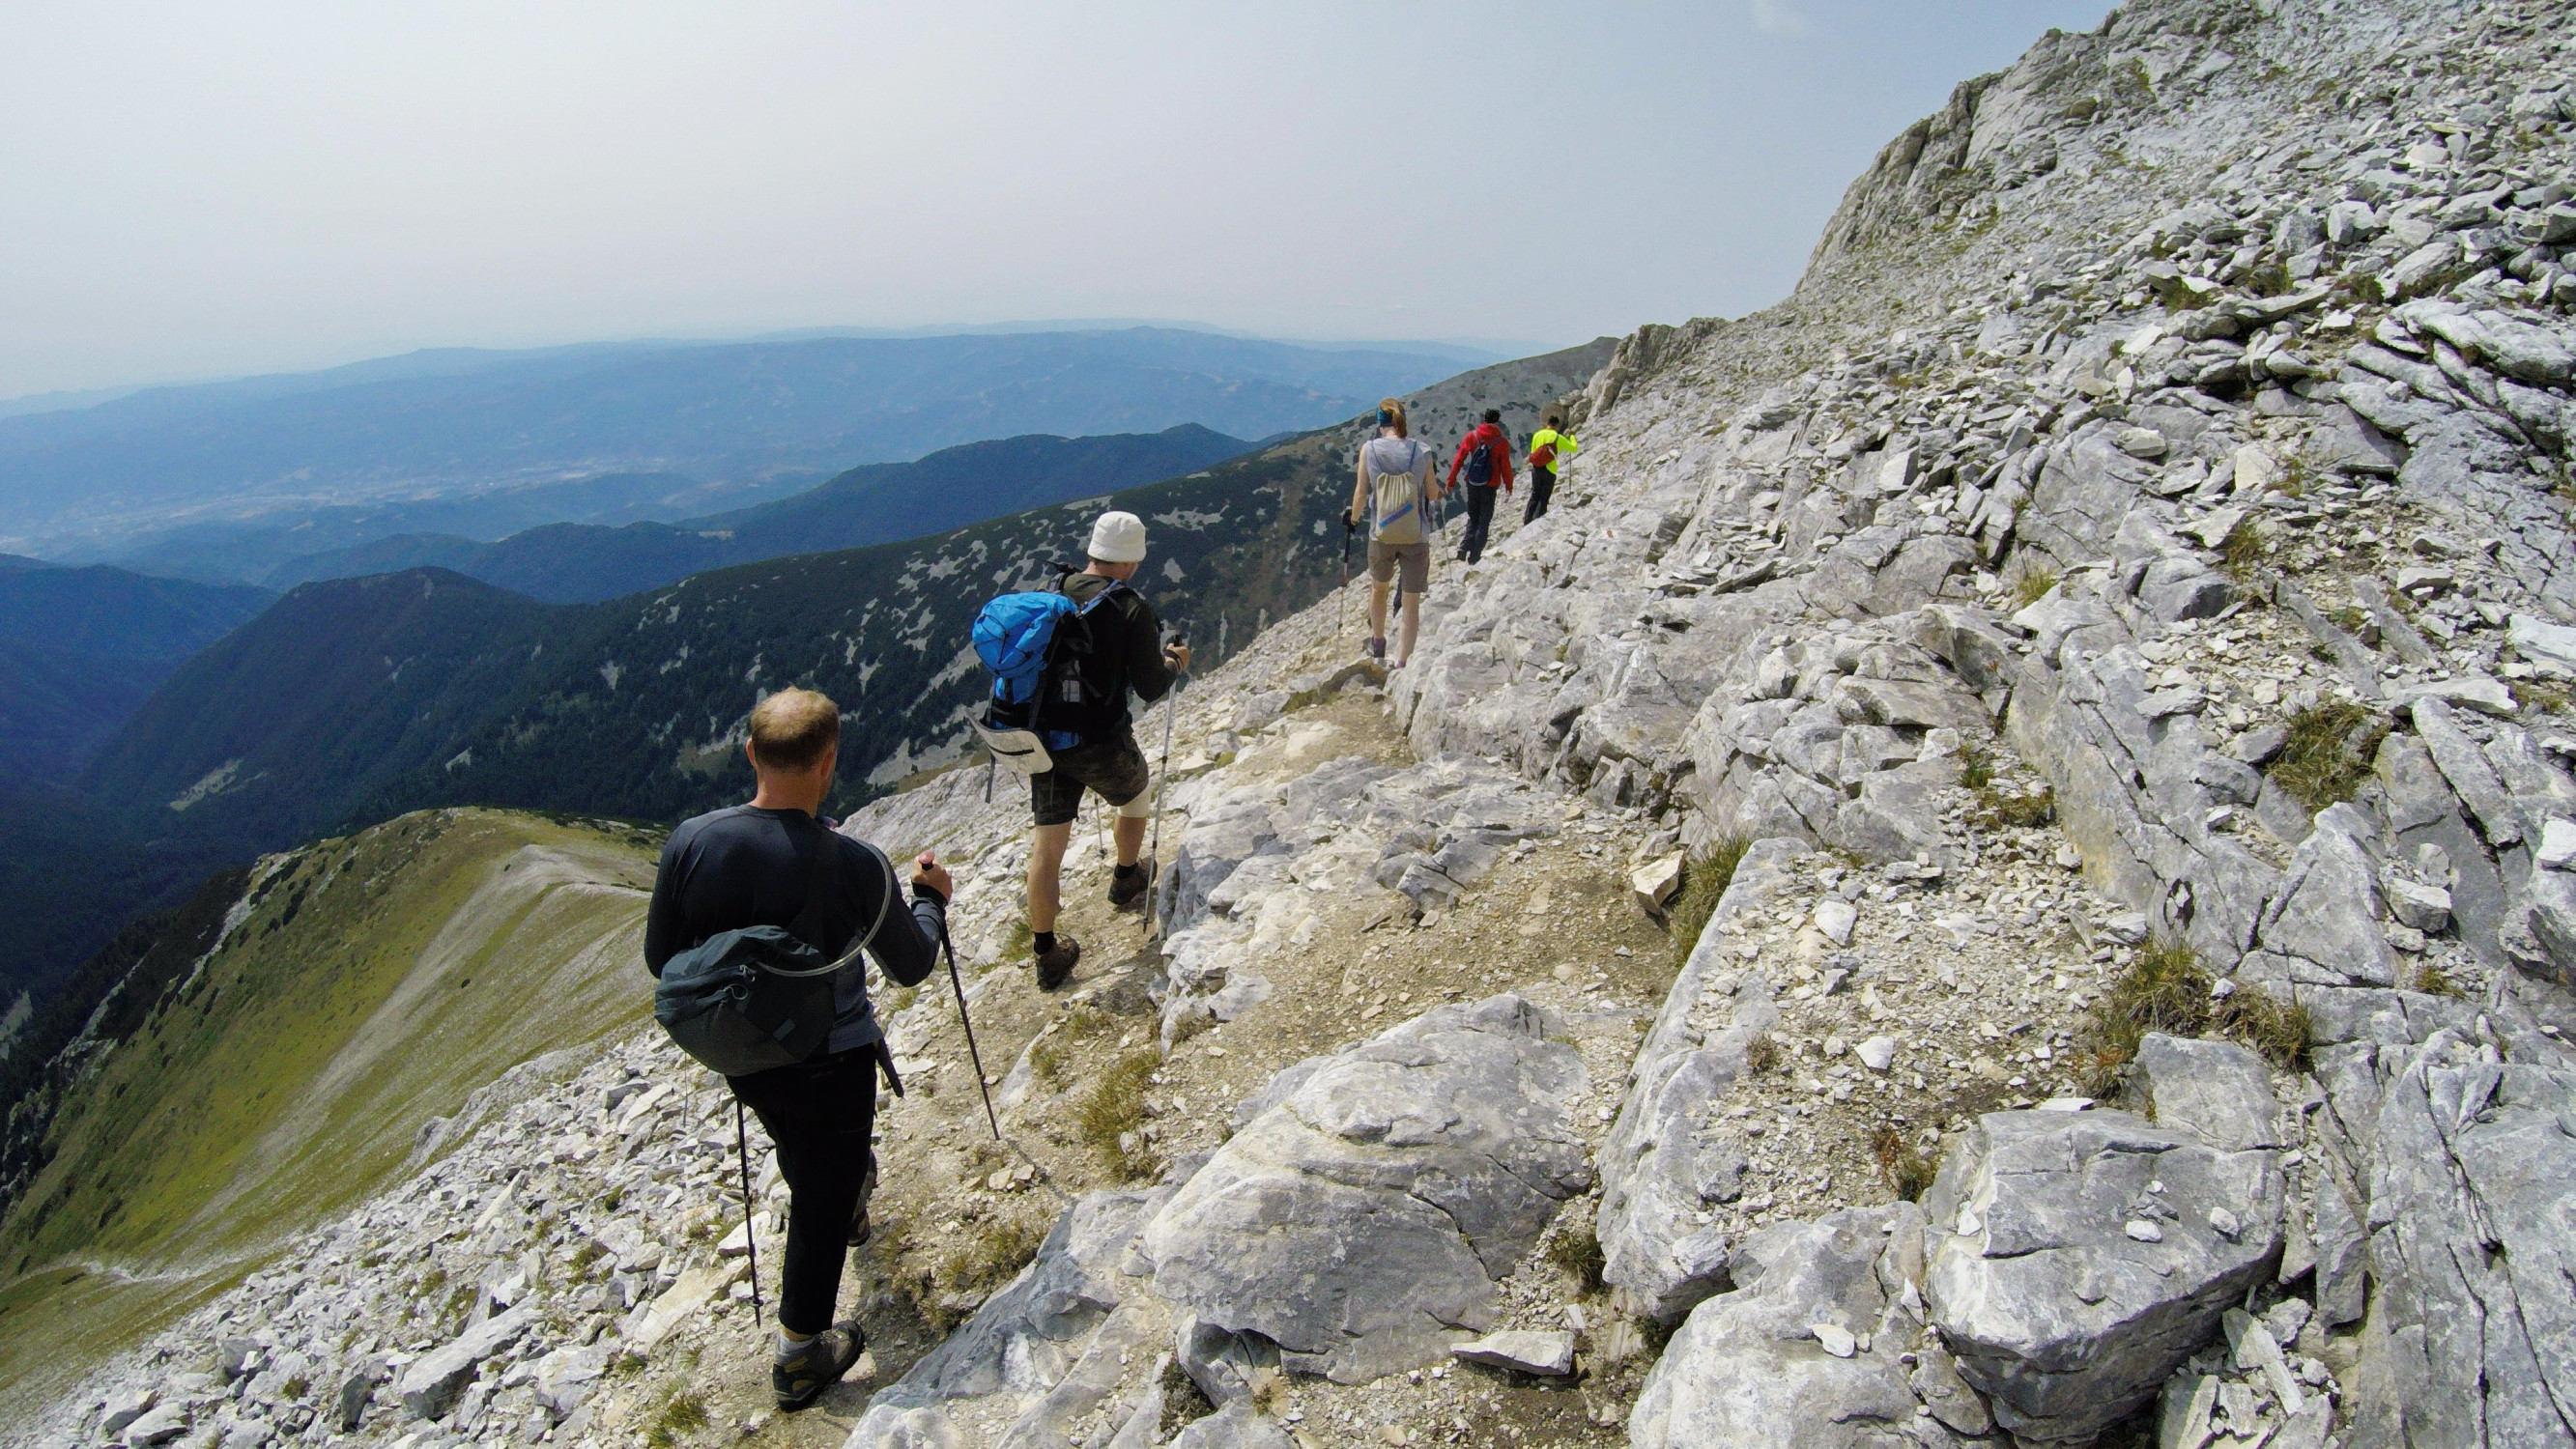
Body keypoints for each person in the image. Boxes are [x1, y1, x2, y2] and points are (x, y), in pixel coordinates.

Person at [643, 688, 953, 1412]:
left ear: (751, 754)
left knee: (800, 1145)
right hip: (831, 1056)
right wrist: (931, 899)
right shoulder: (854, 862)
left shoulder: (692, 840)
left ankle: (841, 1205)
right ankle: (800, 1355)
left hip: (740, 1049)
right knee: (822, 1193)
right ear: (829, 762)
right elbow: (911, 966)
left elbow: (663, 959)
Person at [1021, 510, 1189, 989]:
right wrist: (1175, 662)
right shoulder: (1130, 606)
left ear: (1094, 552)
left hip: (1044, 738)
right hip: (1097, 739)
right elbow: (1151, 684)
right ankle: (1125, 877)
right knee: (1135, 792)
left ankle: (1046, 952)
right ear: (1132, 561)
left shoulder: (1057, 589)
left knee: (1047, 846)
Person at [1345, 397, 1441, 668]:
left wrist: (1352, 519)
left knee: (1379, 589)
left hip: (1382, 533)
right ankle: (1402, 663)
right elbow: (1433, 494)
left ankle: (1378, 643)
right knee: (1411, 602)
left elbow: (1361, 493)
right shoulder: (1422, 451)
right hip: (1415, 534)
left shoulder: (1369, 450)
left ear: (1379, 424)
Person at [1447, 407, 1516, 565]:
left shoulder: (1473, 436)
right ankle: (1474, 556)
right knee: (1484, 520)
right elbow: (1505, 465)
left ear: (1484, 419)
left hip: (1472, 483)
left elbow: (1459, 459)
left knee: (1473, 516)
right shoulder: (1502, 442)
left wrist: (1451, 481)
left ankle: (1464, 547)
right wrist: (1509, 485)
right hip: (1490, 485)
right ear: (1497, 421)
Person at [1526, 411, 1578, 525]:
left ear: (1547, 424)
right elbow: (1574, 449)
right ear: (1557, 426)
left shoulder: (1537, 435)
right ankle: (1538, 520)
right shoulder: (1558, 438)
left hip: (1536, 468)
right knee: (1544, 497)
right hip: (1550, 469)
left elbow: (1533, 452)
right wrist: (1572, 436)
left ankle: (1527, 520)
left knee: (1535, 494)